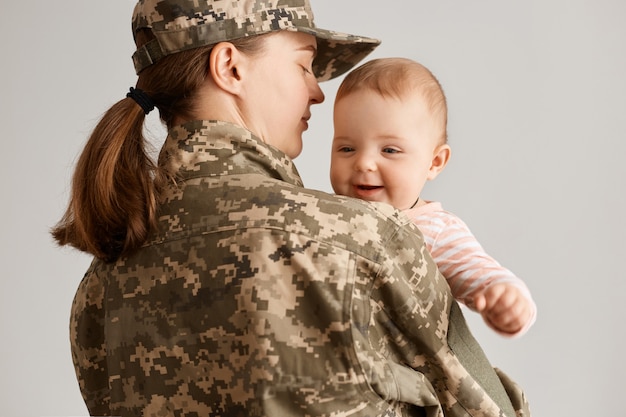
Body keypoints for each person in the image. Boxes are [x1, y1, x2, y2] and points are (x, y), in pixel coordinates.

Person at [53, 1, 531, 416]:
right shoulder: (362, 239)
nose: (318, 91)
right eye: (304, 65)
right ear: (231, 67)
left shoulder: (101, 283)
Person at [330, 58, 537, 338]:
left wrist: (506, 297)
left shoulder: (433, 231)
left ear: (434, 162)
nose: (364, 163)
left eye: (390, 150)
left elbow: (479, 271)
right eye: (346, 148)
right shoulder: (327, 214)